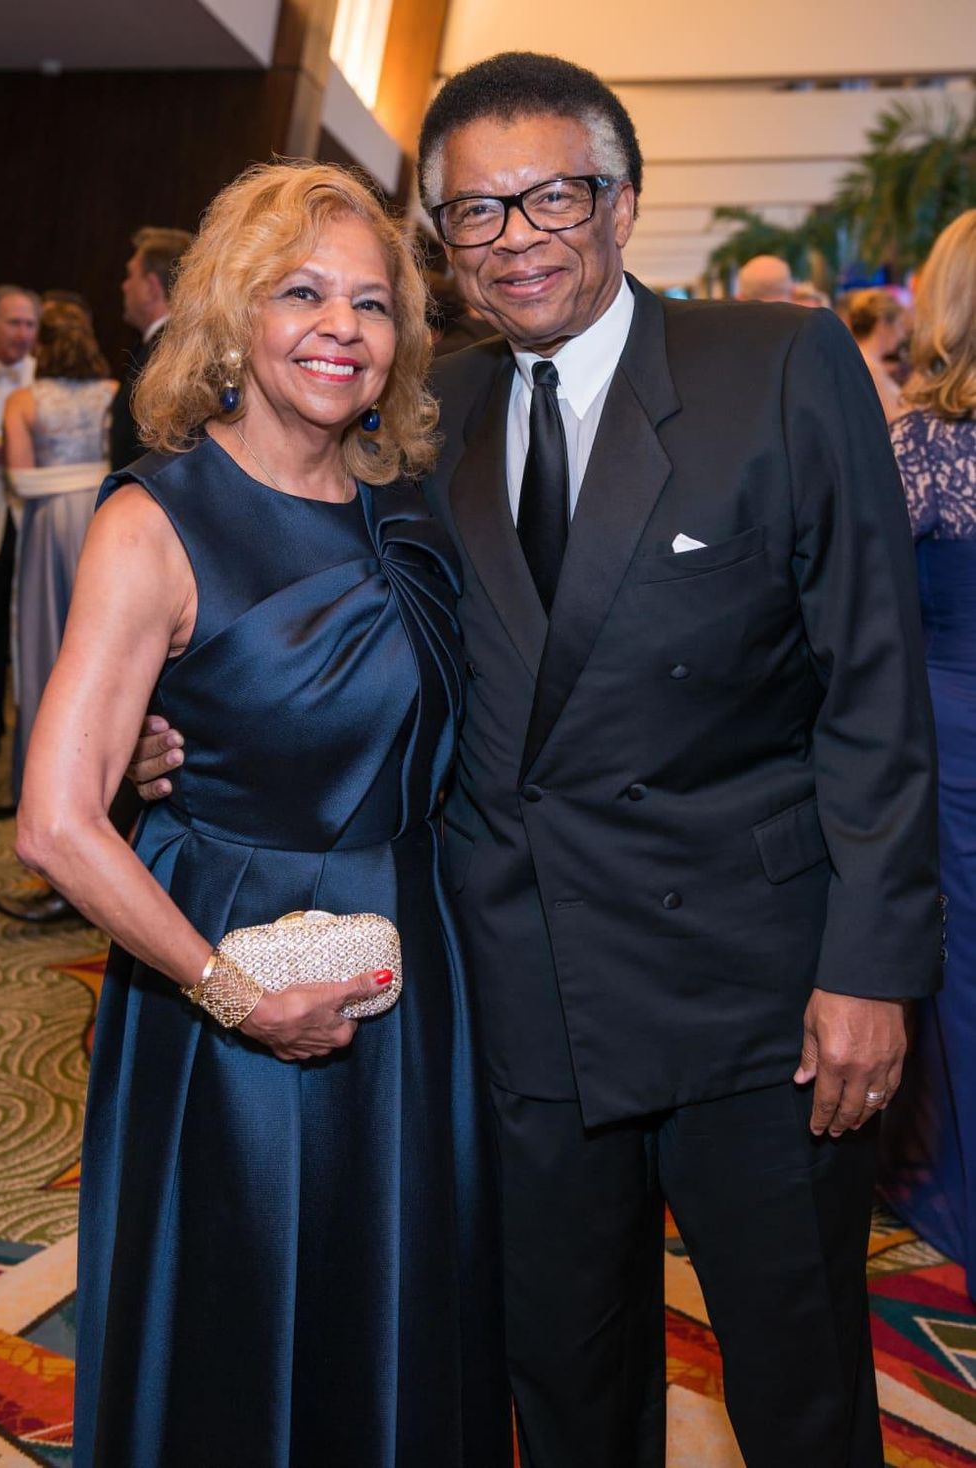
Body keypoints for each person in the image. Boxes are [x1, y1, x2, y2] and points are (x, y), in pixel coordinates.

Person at [131, 53, 942, 1468]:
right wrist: (180, 731)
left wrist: (872, 969)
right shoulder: (420, 419)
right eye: (473, 214)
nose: (515, 237)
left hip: (757, 996)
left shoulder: (774, 369)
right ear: (441, 244)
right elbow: (350, 641)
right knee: (562, 1383)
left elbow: (875, 686)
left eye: (550, 195)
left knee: (801, 1387)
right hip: (517, 996)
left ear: (624, 203)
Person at [17, 161, 509, 1468]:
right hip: (232, 979)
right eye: (302, 293)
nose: (342, 328)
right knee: (242, 1309)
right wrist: (232, 992)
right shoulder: (153, 520)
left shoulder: (406, 509)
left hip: (416, 966)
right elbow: (56, 822)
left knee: (397, 1299)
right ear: (233, 315)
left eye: (372, 301)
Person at [879, 208, 976, 1303]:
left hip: (947, 736)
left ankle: (951, 1186)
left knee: (954, 966)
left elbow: (870, 624)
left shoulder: (921, 445)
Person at [2, 303, 117, 802]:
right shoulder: (113, 394)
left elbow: (23, 479)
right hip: (103, 517)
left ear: (43, 346)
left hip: (50, 527)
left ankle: (46, 792)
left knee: (46, 649)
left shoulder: (24, 403)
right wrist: (95, 477)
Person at [0, 285, 39, 757]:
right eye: (14, 323)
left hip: (31, 522)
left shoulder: (42, 377)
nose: (24, 334)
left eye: (30, 324)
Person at [109, 225, 192, 470]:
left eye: (130, 275)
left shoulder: (166, 353)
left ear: (151, 287)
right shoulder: (167, 345)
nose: (124, 286)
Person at [847, 287, 908, 423]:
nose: (902, 335)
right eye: (899, 325)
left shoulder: (861, 360)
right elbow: (892, 418)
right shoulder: (870, 367)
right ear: (882, 324)